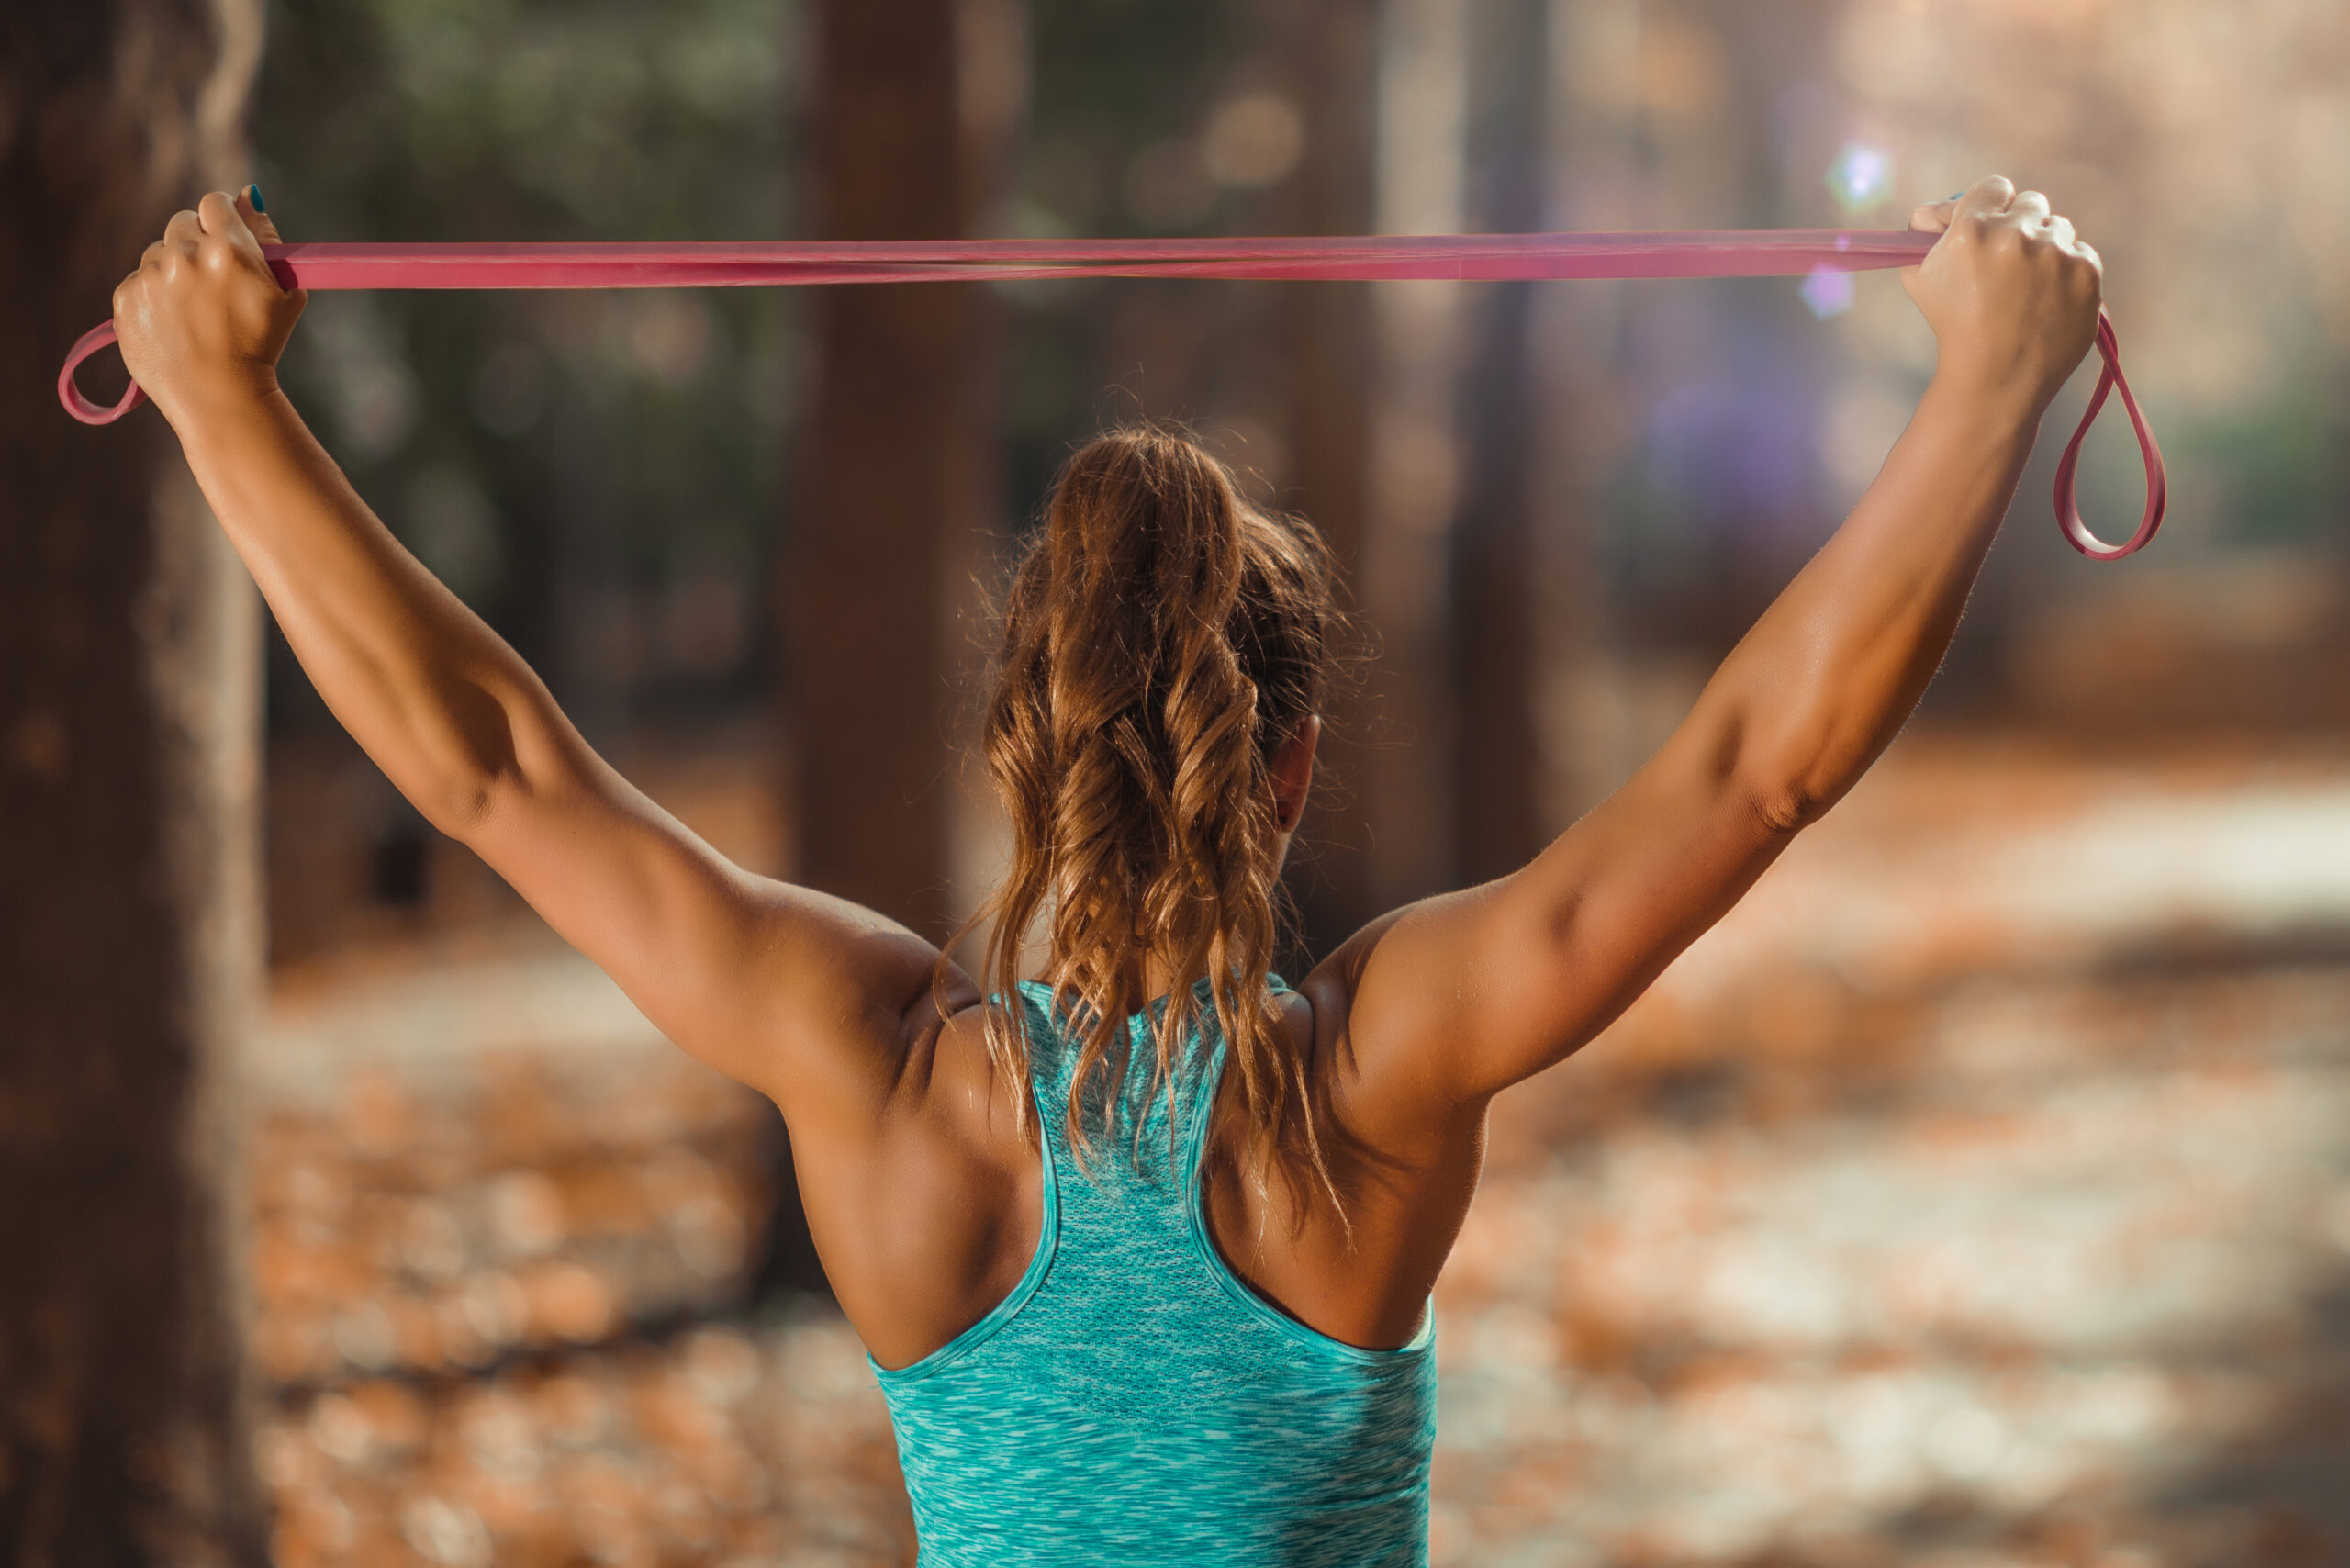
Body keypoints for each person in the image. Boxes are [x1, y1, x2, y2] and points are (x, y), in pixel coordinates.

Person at [109, 174, 2102, 1565]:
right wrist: (1989, 381)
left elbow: (493, 772)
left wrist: (220, 398)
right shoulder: (1365, 1085)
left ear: (1011, 746)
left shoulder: (873, 1067)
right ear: (1293, 759)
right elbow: (1753, 771)